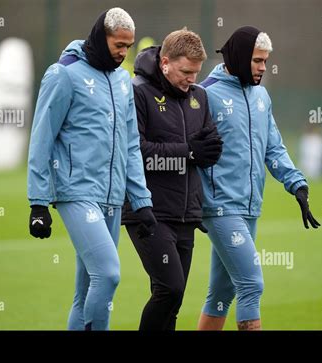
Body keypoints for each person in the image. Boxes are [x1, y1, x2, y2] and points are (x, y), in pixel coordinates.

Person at [27, 8, 157, 331]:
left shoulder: (124, 82)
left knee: (85, 292)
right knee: (109, 273)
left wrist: (141, 201)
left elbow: (130, 145)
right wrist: (38, 202)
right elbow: (41, 138)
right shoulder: (64, 74)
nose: (124, 53)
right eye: (118, 45)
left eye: (128, 46)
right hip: (76, 192)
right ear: (102, 36)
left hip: (112, 198)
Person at [197, 26, 320, 331]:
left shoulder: (261, 97)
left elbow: (273, 147)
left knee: (222, 294)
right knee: (251, 284)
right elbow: (190, 154)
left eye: (265, 61)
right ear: (238, 57)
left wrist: (297, 183)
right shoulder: (206, 94)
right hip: (220, 207)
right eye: (257, 61)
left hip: (250, 208)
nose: (263, 68)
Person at [122, 29, 223, 330]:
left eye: (196, 72)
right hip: (148, 212)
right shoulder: (138, 92)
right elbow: (138, 152)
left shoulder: (200, 98)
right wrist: (189, 153)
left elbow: (208, 145)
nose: (192, 78)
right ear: (165, 62)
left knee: (172, 301)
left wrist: (208, 151)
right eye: (186, 71)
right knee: (170, 289)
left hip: (186, 212)